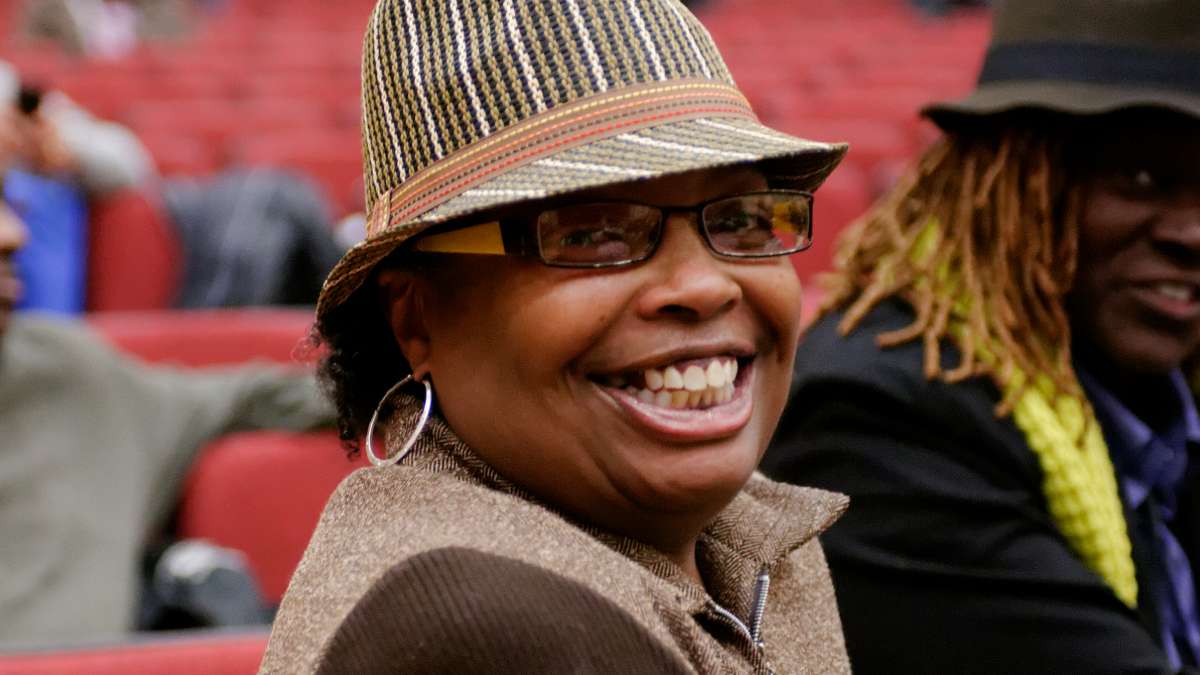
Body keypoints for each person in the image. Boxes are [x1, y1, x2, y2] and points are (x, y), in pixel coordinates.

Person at [260, 0, 850, 672]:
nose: (705, 285)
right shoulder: (477, 625)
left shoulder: (755, 537)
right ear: (417, 320)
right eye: (591, 234)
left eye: (742, 218)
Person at [762, 1, 1200, 673]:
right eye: (1141, 177)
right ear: (1015, 179)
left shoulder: (1155, 382)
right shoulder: (881, 421)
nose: (1190, 234)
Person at [0, 185, 335, 645]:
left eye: (7, 202)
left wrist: (419, 376)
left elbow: (256, 395)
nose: (12, 234)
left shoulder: (74, 377)